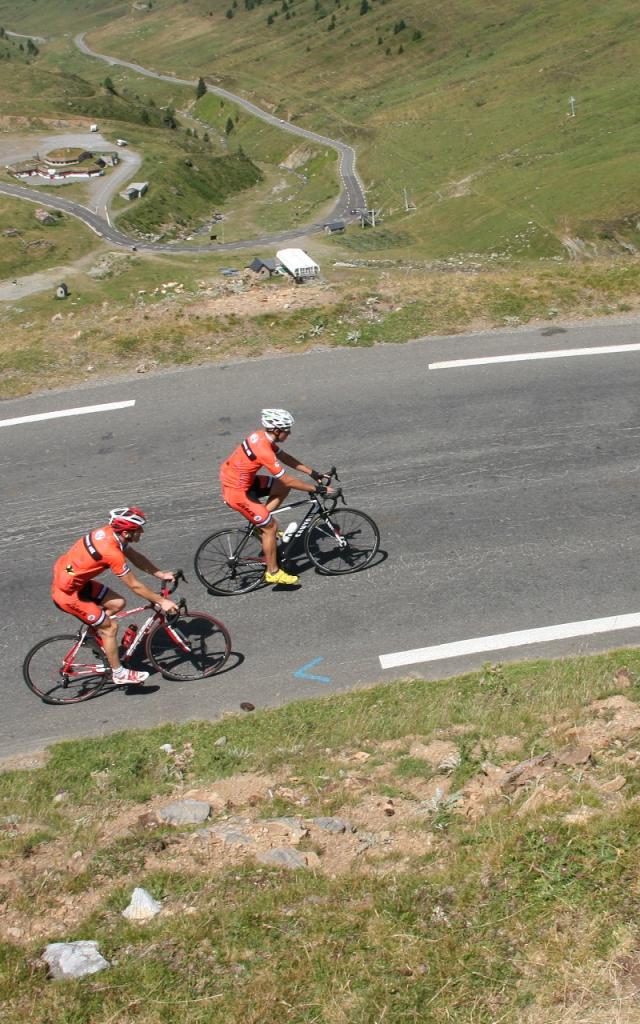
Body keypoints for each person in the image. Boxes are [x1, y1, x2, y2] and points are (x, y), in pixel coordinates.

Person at [51, 507, 178, 685]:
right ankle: (118, 673)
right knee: (110, 628)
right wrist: (162, 601)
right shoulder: (111, 552)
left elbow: (136, 557)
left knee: (117, 603)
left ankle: (94, 635)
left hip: (72, 580)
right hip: (68, 594)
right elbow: (134, 585)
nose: (141, 532)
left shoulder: (110, 533)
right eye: (138, 529)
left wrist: (160, 574)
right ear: (126, 532)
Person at [219, 408, 332, 586]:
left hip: (240, 481)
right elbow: (287, 479)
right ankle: (273, 572)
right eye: (287, 430)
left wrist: (313, 472)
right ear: (277, 430)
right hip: (237, 492)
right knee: (271, 527)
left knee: (280, 489)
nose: (289, 433)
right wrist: (317, 489)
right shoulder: (263, 450)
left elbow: (285, 457)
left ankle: (259, 523)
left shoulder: (262, 436)